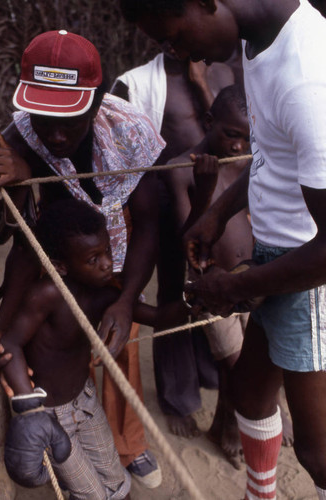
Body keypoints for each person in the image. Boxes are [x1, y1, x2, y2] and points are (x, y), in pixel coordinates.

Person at [119, 0, 326, 498]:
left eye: (171, 35)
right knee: (252, 396)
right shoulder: (258, 43)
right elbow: (271, 161)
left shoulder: (306, 79)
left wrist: (235, 286)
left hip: (308, 273)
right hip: (275, 255)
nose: (175, 51)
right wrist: (217, 213)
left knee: (319, 453)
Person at [0, 30, 164, 488]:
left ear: (96, 101)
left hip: (106, 253)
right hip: (45, 262)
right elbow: (10, 233)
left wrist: (126, 300)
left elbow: (147, 222)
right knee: (33, 346)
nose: (55, 133)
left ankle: (129, 446)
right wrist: (20, 180)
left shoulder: (129, 131)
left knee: (117, 343)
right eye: (44, 118)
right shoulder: (17, 139)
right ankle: (42, 435)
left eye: (69, 118)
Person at [0, 198, 164, 499]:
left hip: (86, 403)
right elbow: (9, 343)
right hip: (50, 416)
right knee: (91, 495)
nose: (106, 264)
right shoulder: (46, 295)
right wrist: (30, 409)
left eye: (107, 252)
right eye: (93, 259)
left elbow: (159, 317)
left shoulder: (104, 294)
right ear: (61, 265)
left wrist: (198, 302)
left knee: (117, 484)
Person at [112, 49, 234, 438]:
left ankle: (211, 368)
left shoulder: (226, 74)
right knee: (173, 291)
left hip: (228, 193)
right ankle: (178, 395)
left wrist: (200, 83)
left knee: (218, 282)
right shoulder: (137, 82)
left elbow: (230, 126)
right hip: (168, 197)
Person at [161, 84, 252, 467]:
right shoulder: (181, 167)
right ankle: (232, 425)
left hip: (252, 277)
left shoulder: (246, 160)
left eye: (247, 137)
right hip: (211, 281)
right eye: (232, 134)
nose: (237, 145)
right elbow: (189, 239)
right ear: (210, 121)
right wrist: (207, 187)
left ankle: (225, 421)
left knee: (256, 357)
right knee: (237, 365)